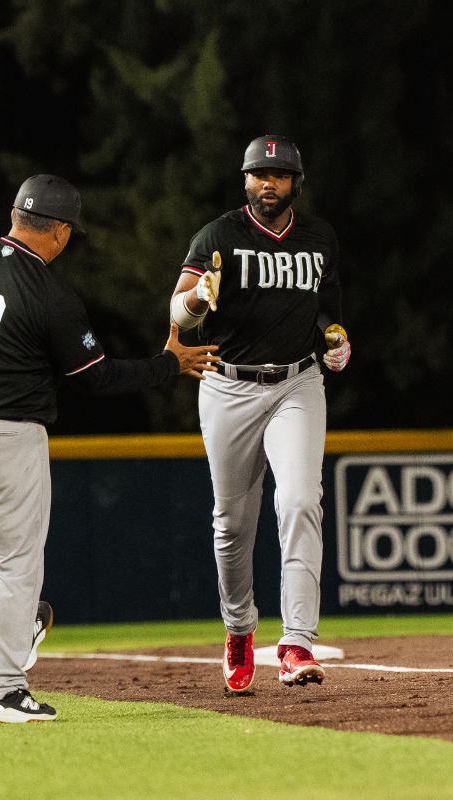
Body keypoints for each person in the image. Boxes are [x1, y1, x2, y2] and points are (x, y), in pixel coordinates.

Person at [0, 174, 220, 723]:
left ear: (16, 214)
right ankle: (2, 691)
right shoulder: (51, 294)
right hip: (4, 436)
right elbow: (96, 378)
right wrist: (169, 364)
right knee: (16, 564)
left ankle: (26, 622)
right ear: (62, 232)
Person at [169, 135, 349, 694]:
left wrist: (336, 338)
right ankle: (240, 630)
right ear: (244, 180)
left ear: (297, 181)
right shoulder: (218, 235)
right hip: (228, 388)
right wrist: (199, 299)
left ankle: (296, 642)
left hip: (297, 382)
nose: (267, 183)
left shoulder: (319, 238)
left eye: (278, 175)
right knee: (232, 524)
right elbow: (177, 314)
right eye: (257, 174)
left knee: (299, 500)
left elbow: (327, 312)